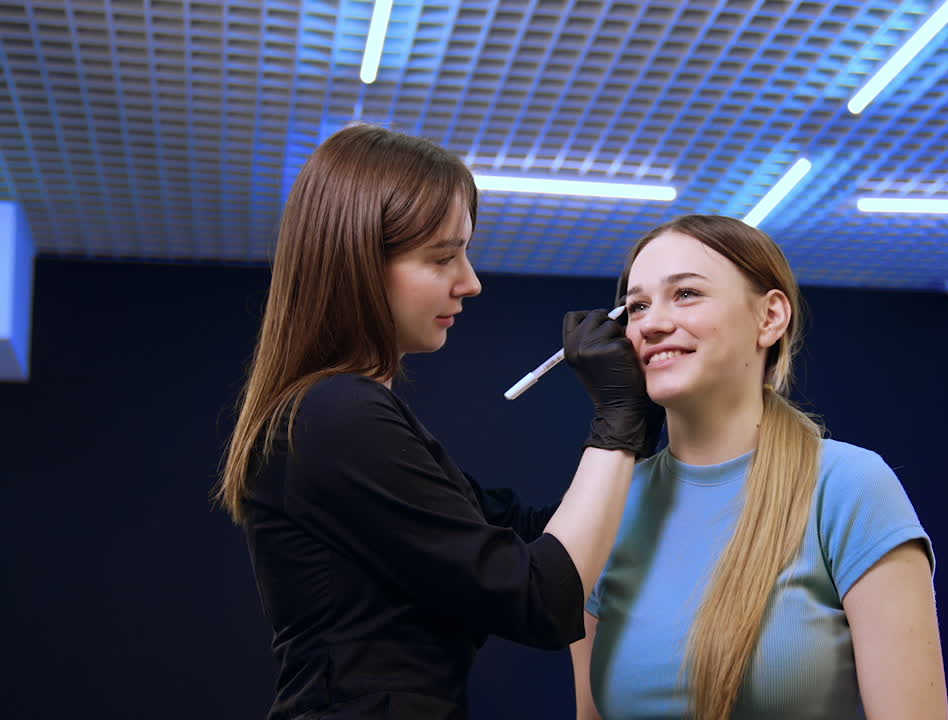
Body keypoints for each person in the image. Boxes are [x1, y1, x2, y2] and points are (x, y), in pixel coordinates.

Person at [215, 123, 657, 719]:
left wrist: (645, 427)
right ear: (360, 264)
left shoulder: (336, 415)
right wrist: (618, 418)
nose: (470, 282)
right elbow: (542, 598)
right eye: (443, 257)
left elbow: (535, 532)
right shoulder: (337, 417)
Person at [569, 215, 948, 720]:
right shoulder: (609, 505)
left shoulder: (848, 487)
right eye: (637, 306)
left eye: (686, 294)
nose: (652, 324)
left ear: (769, 318)